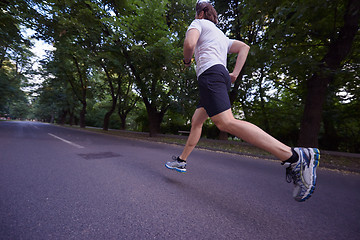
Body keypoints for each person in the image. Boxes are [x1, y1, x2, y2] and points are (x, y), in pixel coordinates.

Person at [165, 1, 320, 202]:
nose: (196, 15)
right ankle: (182, 160)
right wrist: (235, 74)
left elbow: (189, 45)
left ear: (201, 13)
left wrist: (187, 61)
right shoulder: (221, 36)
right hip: (217, 76)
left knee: (225, 122)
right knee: (197, 120)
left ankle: (295, 157)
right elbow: (244, 47)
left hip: (210, 76)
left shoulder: (198, 23)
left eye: (197, 12)